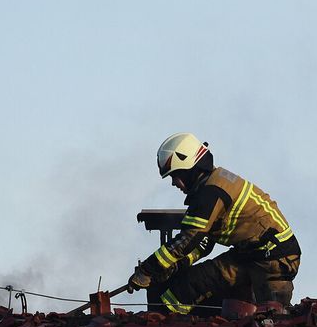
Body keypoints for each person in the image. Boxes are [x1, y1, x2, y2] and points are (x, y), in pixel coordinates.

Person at [127, 133, 301, 313]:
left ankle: (177, 326)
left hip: (274, 259)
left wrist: (147, 270)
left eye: (175, 175)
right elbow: (203, 243)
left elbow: (189, 239)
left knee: (270, 318)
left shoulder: (211, 193)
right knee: (186, 288)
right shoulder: (212, 185)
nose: (174, 183)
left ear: (188, 169)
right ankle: (172, 324)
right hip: (250, 255)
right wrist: (176, 266)